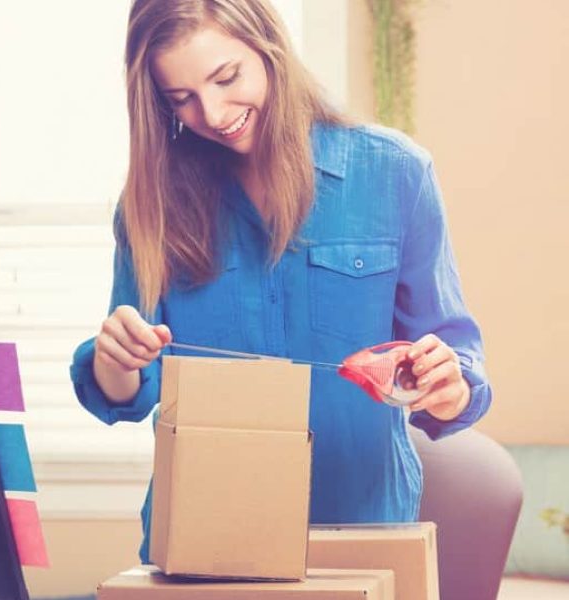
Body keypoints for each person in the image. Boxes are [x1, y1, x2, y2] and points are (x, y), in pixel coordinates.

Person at [69, 0, 491, 563]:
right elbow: (128, 391)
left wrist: (447, 385)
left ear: (269, 48)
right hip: (199, 539)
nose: (214, 114)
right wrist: (115, 360)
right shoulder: (150, 207)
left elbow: (456, 362)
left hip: (364, 534)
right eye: (182, 100)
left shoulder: (396, 173)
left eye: (227, 78)